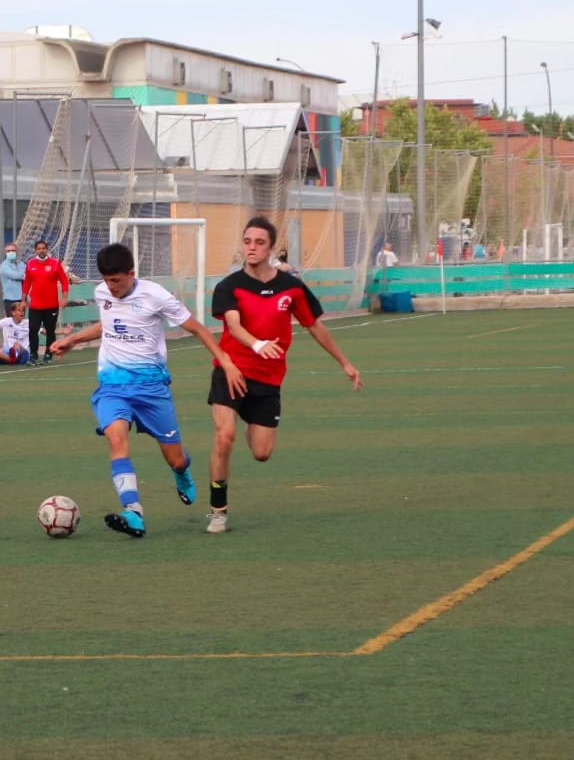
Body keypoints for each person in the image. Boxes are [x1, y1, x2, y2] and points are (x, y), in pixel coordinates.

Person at [50, 242, 246, 539]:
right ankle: (134, 512)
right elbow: (109, 324)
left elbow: (198, 329)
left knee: (175, 458)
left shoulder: (156, 296)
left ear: (131, 273)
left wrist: (226, 362)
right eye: (105, 280)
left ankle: (181, 473)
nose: (110, 287)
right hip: (113, 386)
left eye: (116, 280)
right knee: (117, 438)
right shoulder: (103, 293)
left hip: (152, 389)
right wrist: (74, 339)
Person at [205, 216, 364, 534]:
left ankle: (251, 418)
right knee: (225, 438)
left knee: (262, 453)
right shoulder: (229, 286)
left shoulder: (291, 287)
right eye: (247, 241)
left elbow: (314, 326)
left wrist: (344, 362)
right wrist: (257, 343)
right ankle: (218, 510)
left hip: (268, 379)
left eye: (259, 242)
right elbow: (233, 326)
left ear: (272, 247)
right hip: (231, 372)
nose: (251, 247)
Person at [23, 239, 69, 365]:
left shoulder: (55, 264)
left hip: (51, 305)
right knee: (33, 329)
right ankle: (33, 355)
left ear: (47, 250)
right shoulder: (30, 264)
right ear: (35, 250)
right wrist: (23, 300)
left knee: (50, 330)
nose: (41, 250)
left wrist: (64, 298)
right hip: (35, 305)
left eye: (43, 248)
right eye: (39, 248)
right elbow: (27, 283)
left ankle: (49, 353)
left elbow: (64, 281)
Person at [0, 242, 26, 317]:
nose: (11, 252)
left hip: (21, 298)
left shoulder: (21, 263)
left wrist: (21, 275)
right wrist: (22, 275)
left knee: (21, 321)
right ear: (5, 253)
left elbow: (25, 274)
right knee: (12, 321)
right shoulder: (4, 266)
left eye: (13, 250)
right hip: (10, 298)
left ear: (16, 252)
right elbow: (16, 276)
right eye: (8, 251)